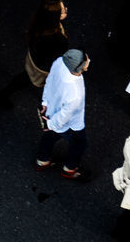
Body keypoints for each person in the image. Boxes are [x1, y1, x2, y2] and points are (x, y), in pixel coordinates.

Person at [0, 0, 71, 109]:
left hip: (35, 59)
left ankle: (2, 94)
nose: (66, 10)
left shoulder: (40, 22)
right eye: (63, 10)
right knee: (35, 81)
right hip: (44, 68)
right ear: (55, 17)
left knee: (25, 77)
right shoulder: (58, 39)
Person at [36, 48, 90, 181]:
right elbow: (65, 115)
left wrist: (45, 102)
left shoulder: (60, 62)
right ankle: (69, 169)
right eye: (86, 61)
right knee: (80, 143)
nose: (88, 60)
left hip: (50, 111)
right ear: (78, 68)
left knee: (50, 136)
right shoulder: (75, 93)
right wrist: (50, 124)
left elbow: (49, 82)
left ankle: (42, 160)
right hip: (71, 123)